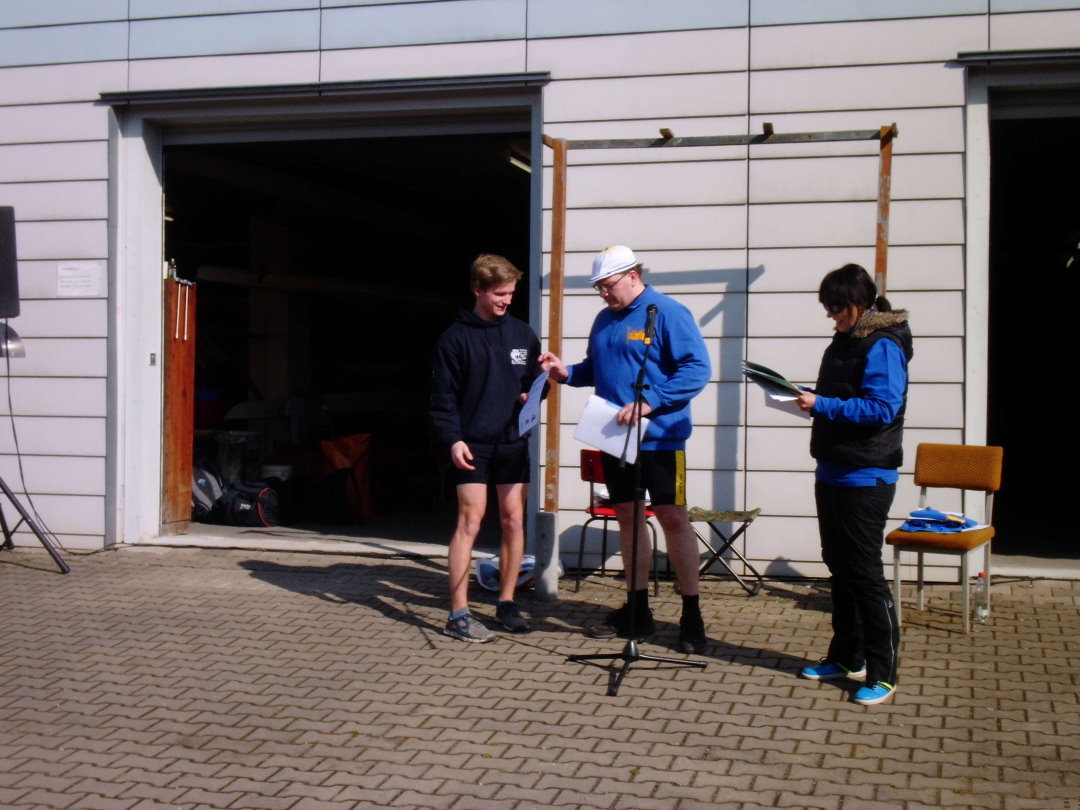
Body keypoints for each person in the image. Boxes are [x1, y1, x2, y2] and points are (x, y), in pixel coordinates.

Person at [541, 246, 711, 653]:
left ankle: (691, 615)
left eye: (608, 285)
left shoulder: (667, 312)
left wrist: (651, 400)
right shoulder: (605, 319)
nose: (604, 293)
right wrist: (567, 373)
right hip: (614, 437)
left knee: (673, 518)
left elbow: (697, 368)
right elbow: (597, 368)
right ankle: (637, 610)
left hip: (662, 438)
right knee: (629, 519)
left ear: (633, 276)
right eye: (599, 287)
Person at [795, 263, 913, 706]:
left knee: (864, 574)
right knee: (839, 568)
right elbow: (841, 395)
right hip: (832, 468)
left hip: (867, 473)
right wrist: (804, 398)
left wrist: (821, 404)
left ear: (860, 303)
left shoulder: (883, 344)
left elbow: (882, 408)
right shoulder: (845, 339)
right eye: (827, 307)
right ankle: (846, 657)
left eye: (836, 307)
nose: (831, 315)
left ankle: (883, 671)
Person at [430, 254, 546, 643]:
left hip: (513, 442)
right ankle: (459, 613)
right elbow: (442, 398)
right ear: (478, 290)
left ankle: (507, 602)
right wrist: (453, 439)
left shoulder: (523, 334)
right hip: (472, 444)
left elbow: (536, 382)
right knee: (471, 522)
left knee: (513, 520)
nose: (506, 300)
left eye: (511, 293)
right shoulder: (454, 339)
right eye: (499, 294)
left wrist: (536, 392)